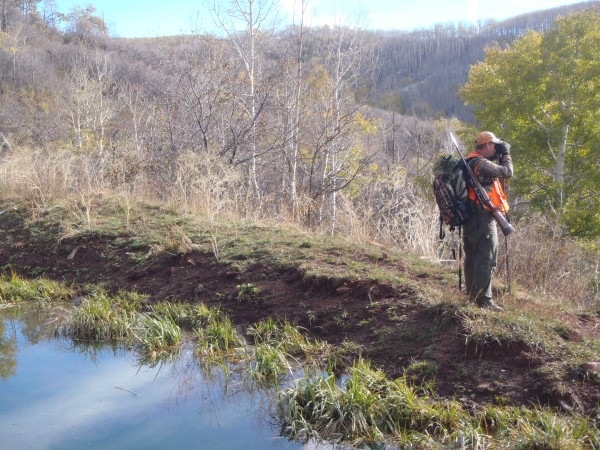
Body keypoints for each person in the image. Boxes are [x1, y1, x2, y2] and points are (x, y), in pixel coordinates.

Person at [463, 131, 513, 311]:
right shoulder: (482, 164)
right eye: (494, 145)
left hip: (471, 219)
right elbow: (507, 172)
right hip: (482, 220)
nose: (496, 148)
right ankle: (484, 301)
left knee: (472, 257)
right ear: (487, 145)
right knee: (486, 258)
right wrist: (506, 154)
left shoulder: (469, 161)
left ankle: (472, 295)